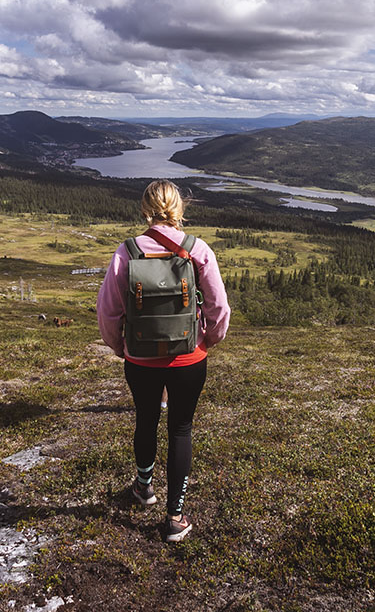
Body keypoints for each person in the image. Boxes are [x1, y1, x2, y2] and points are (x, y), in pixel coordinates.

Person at [97, 180, 230, 542]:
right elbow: (218, 307)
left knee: (146, 418)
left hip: (140, 359)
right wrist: (208, 340)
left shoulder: (126, 252)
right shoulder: (197, 249)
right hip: (190, 357)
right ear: (179, 209)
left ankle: (143, 487)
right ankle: (174, 517)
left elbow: (108, 313)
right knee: (181, 429)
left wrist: (119, 347)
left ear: (145, 209)